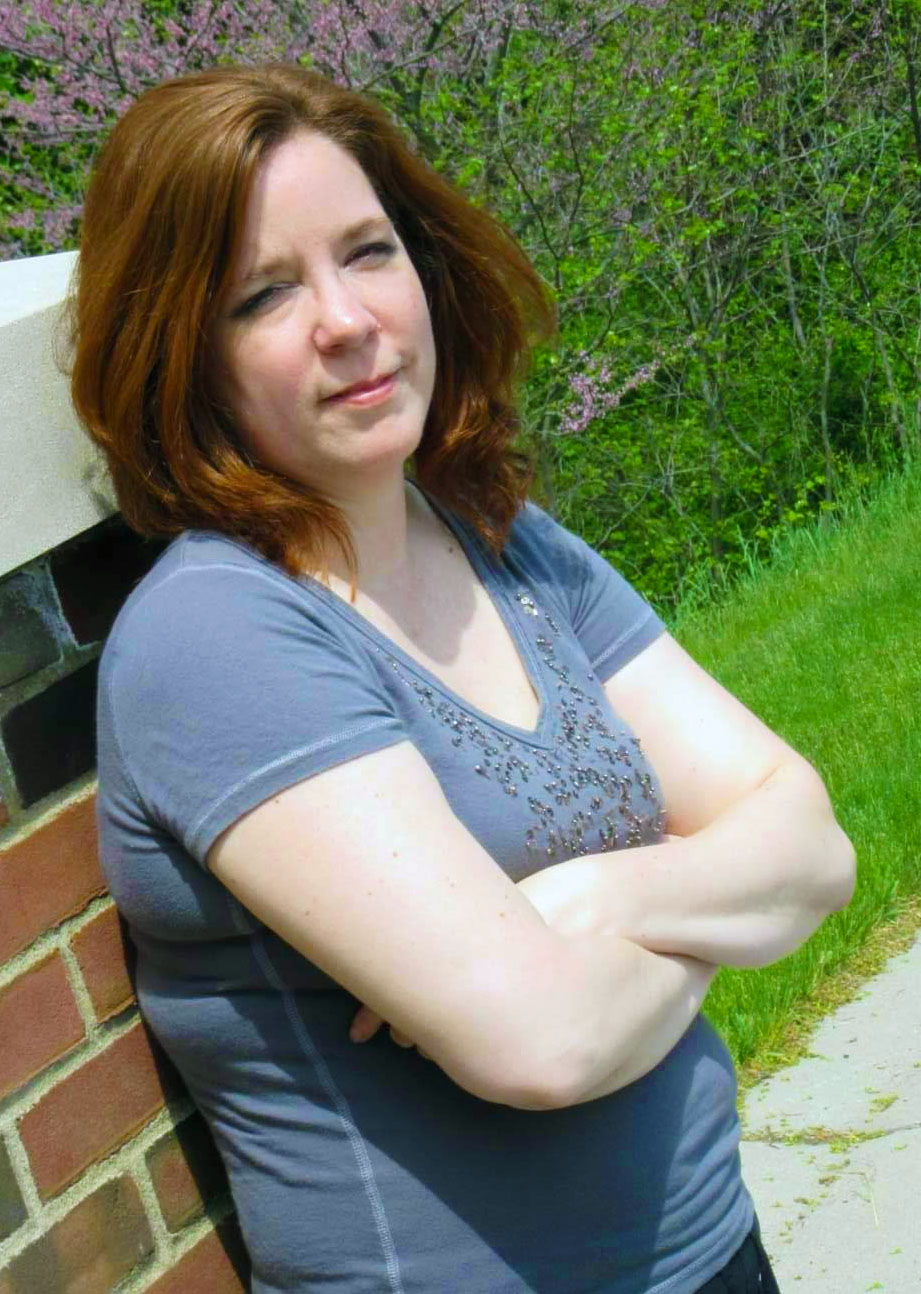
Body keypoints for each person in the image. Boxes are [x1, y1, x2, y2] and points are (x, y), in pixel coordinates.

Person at [71, 63, 855, 1294]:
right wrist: (719, 913)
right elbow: (542, 1041)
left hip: (713, 1249)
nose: (345, 319)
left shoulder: (504, 539)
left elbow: (813, 846)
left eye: (367, 251)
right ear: (182, 356)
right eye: (263, 294)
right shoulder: (218, 636)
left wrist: (594, 899)